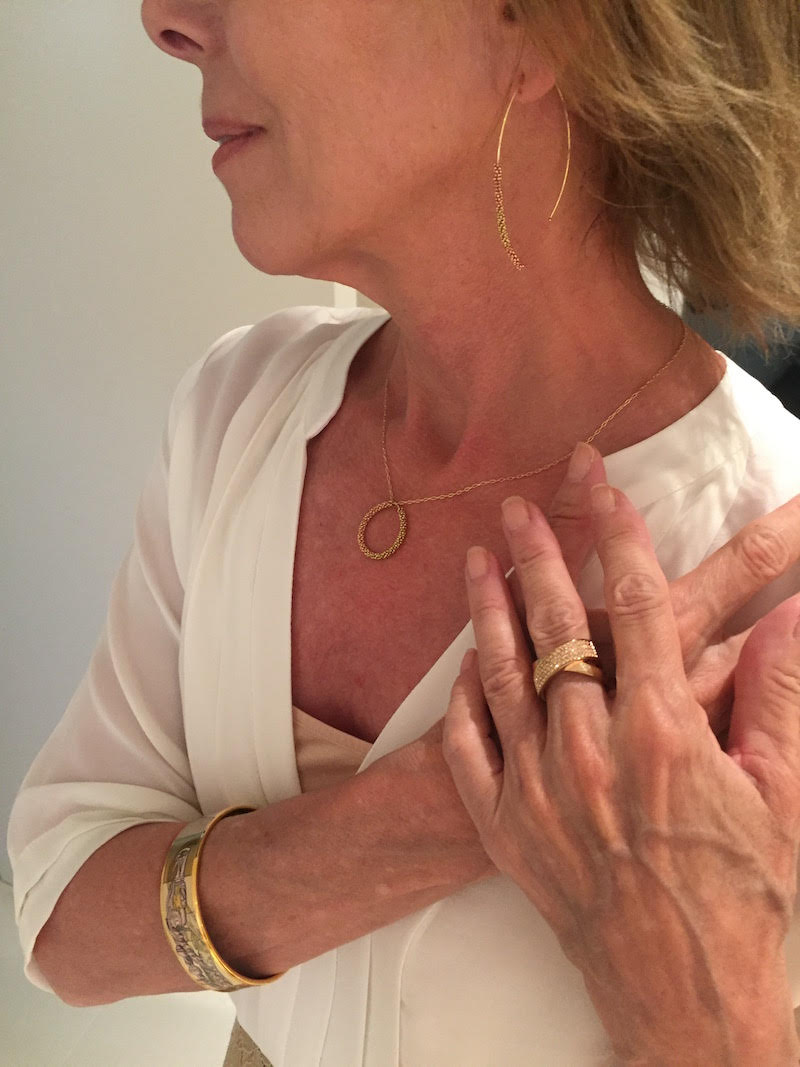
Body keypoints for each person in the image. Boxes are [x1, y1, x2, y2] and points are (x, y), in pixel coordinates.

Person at [7, 1, 800, 1063]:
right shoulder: (239, 410)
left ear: (547, 29)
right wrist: (437, 809)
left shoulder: (770, 563)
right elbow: (62, 921)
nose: (165, 19)